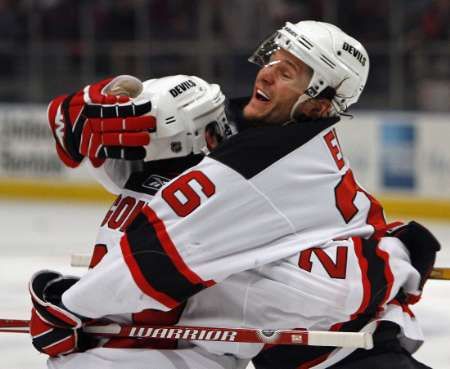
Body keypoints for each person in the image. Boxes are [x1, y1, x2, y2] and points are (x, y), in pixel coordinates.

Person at [30, 21, 440, 369]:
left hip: (349, 354)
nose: (266, 73)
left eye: (289, 72)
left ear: (318, 106)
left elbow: (159, 258)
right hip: (327, 337)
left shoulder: (262, 163)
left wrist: (67, 304)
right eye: (273, 59)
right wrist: (85, 130)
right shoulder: (278, 140)